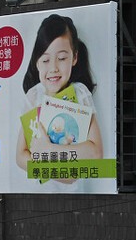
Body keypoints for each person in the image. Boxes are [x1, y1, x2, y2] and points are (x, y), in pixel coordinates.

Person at [14, 14, 103, 186]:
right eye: (46, 60)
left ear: (74, 58)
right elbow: (20, 156)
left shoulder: (80, 93)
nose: (53, 68)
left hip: (78, 197)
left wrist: (48, 150)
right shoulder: (34, 96)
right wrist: (62, 173)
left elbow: (96, 152)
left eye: (62, 58)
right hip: (36, 195)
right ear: (37, 63)